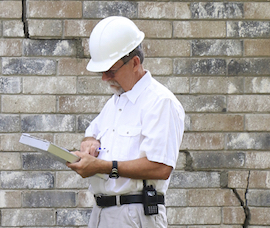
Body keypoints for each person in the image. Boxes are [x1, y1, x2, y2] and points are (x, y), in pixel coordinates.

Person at [67, 16, 185, 228]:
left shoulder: (160, 102)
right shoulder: (116, 102)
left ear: (135, 63)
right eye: (101, 72)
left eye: (110, 71)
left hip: (136, 215)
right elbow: (92, 132)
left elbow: (160, 167)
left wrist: (102, 167)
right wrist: (90, 142)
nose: (105, 78)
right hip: (103, 214)